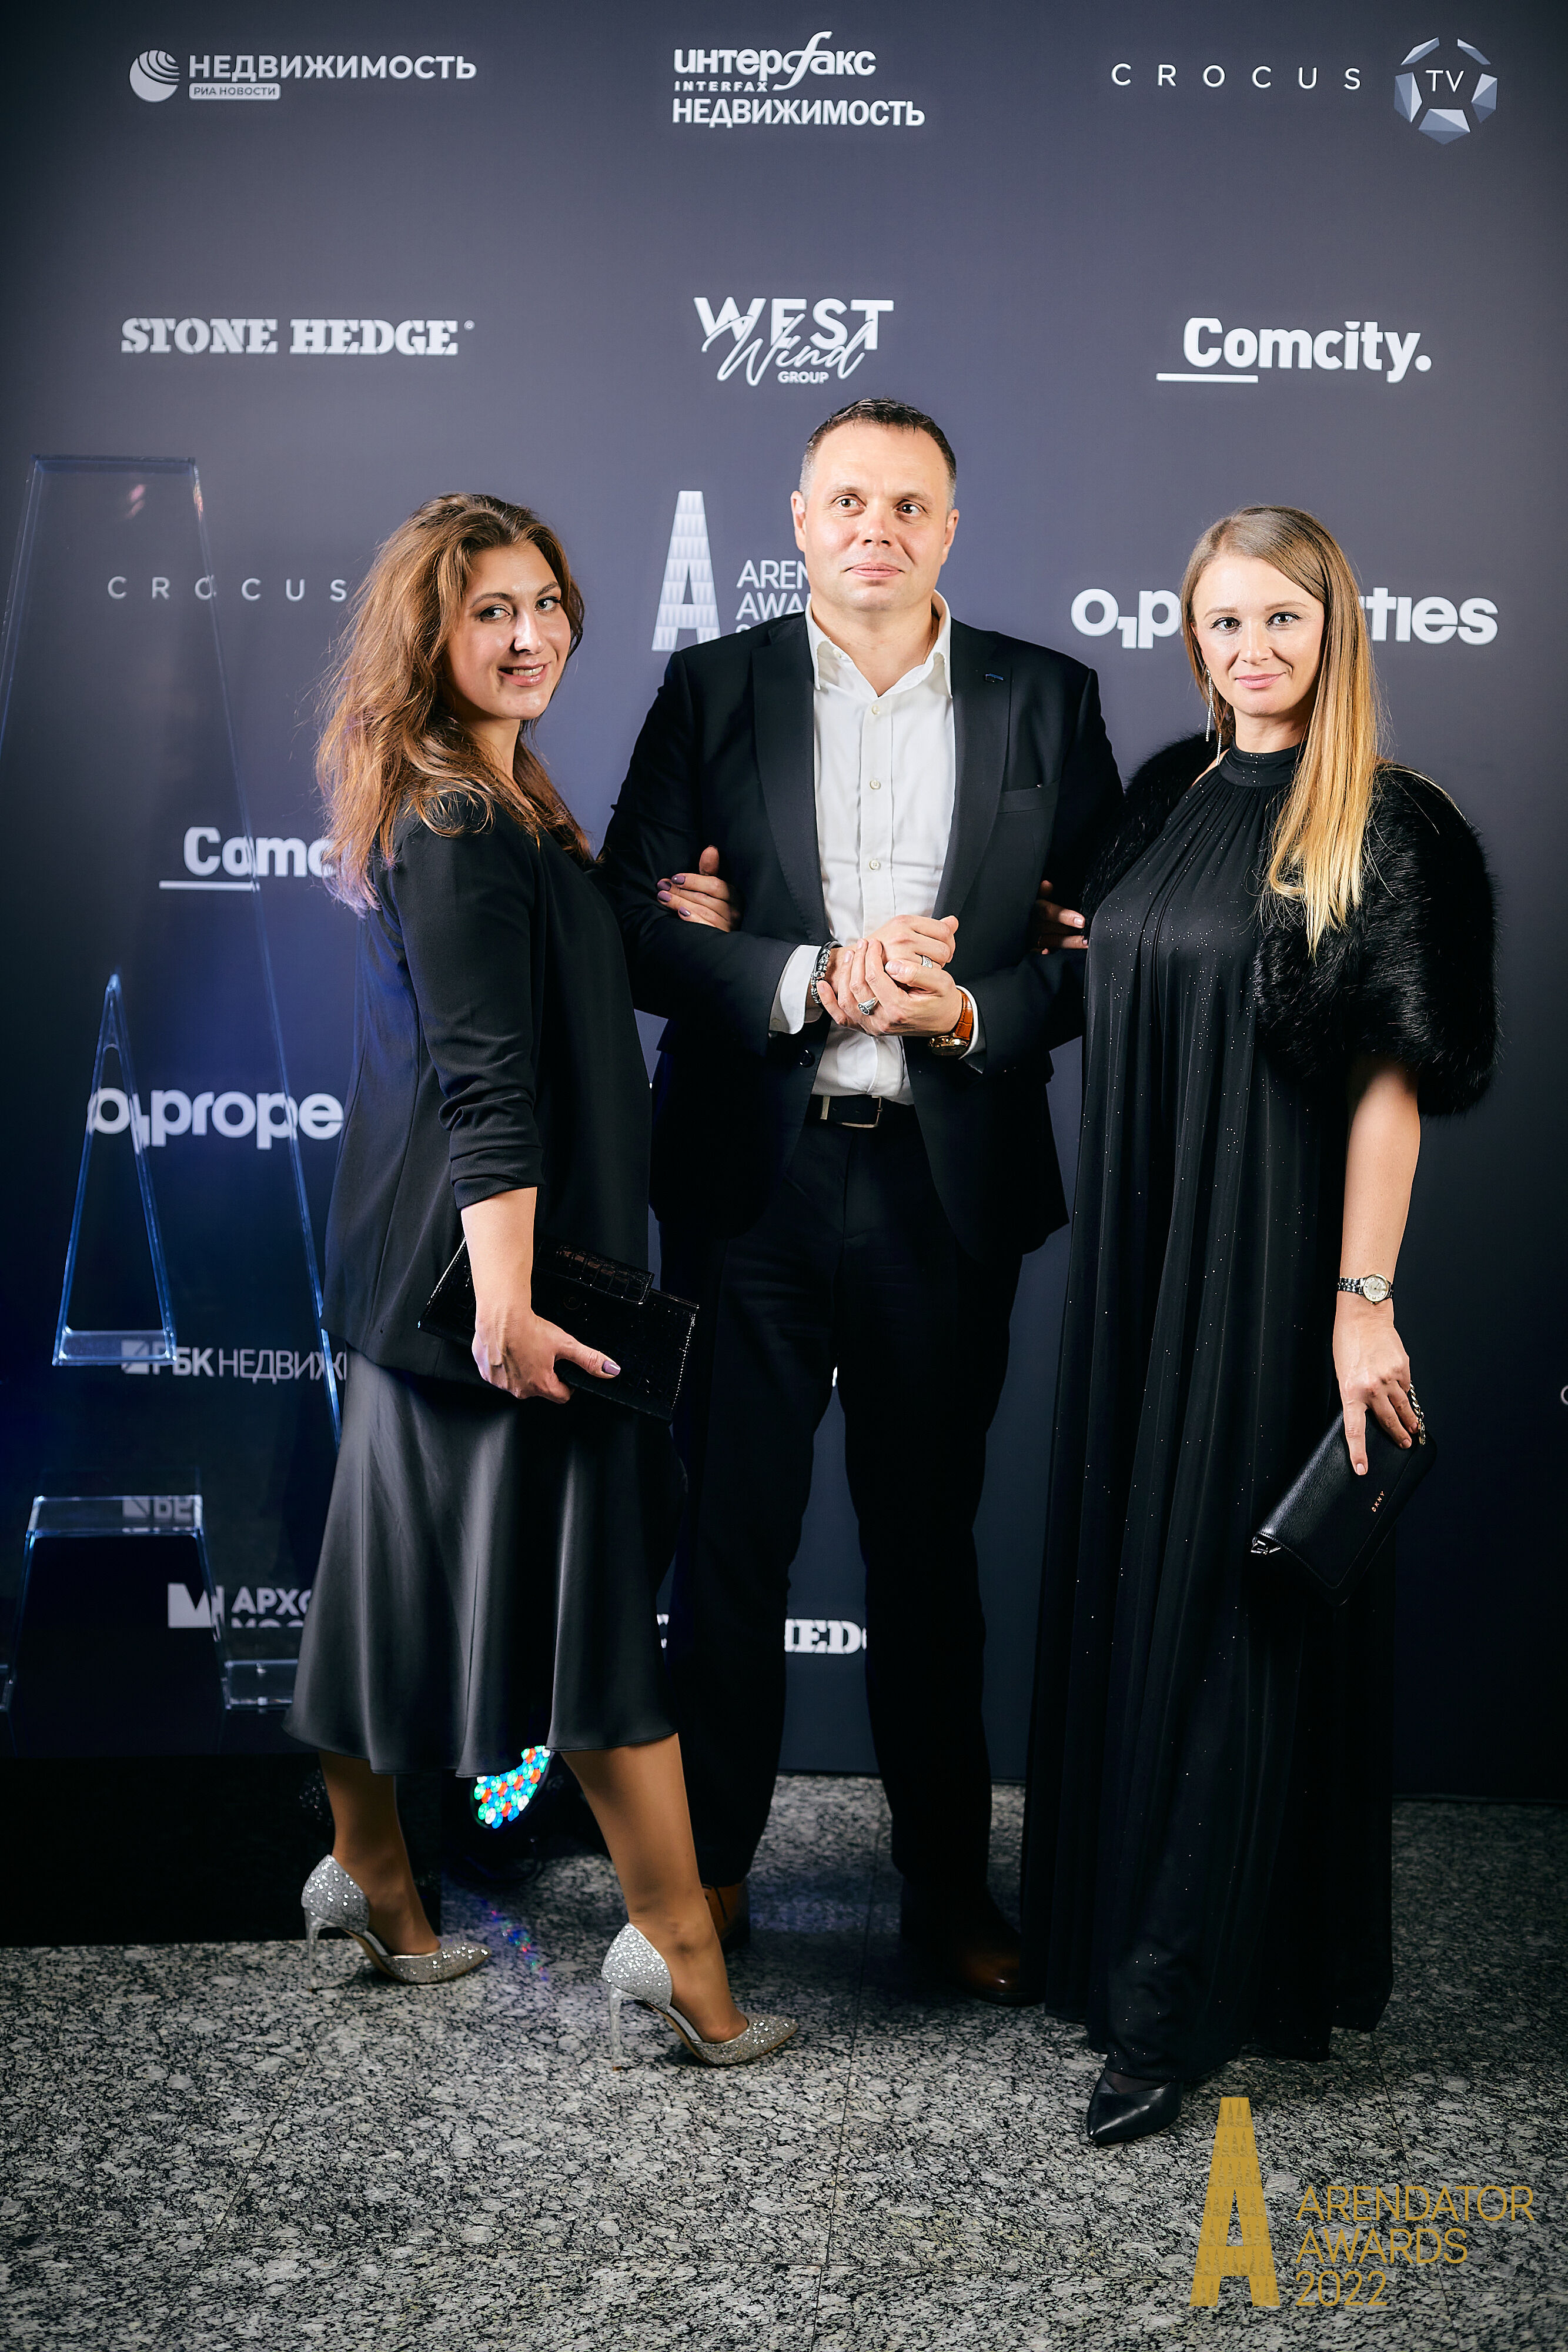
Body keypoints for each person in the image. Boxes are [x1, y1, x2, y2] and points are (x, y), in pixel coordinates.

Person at [598, 399, 1122, 2002]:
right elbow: (631, 920)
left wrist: (967, 1009)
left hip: (941, 1183)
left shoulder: (1046, 696)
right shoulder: (713, 685)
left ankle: (948, 1884)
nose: (875, 529)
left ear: (950, 528)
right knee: (729, 1543)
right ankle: (714, 1869)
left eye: (907, 504)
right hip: (749, 1181)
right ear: (801, 520)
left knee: (927, 1552)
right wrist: (806, 976)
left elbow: (1099, 952)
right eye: (847, 501)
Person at [286, 493, 794, 2068]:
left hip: (434, 1281)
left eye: (545, 604)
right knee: (595, 1627)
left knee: (386, 1586)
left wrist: (664, 922)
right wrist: (510, 1306)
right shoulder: (456, 823)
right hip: (500, 1288)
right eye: (488, 612)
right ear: (428, 638)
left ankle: (370, 1875)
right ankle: (682, 1955)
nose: (529, 637)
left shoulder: (499, 798)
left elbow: (551, 985)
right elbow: (488, 1085)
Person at [1019, 506, 1497, 2141]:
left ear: (1333, 627)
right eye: (1224, 622)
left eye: (1282, 617)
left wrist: (1363, 1304)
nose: (1253, 649)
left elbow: (1391, 1086)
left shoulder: (1394, 827)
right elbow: (1091, 965)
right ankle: (1118, 1944)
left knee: (1236, 1605)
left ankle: (1171, 2003)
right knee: (1140, 1582)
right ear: (1193, 638)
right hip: (1143, 1256)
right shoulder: (1163, 795)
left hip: (1276, 1262)